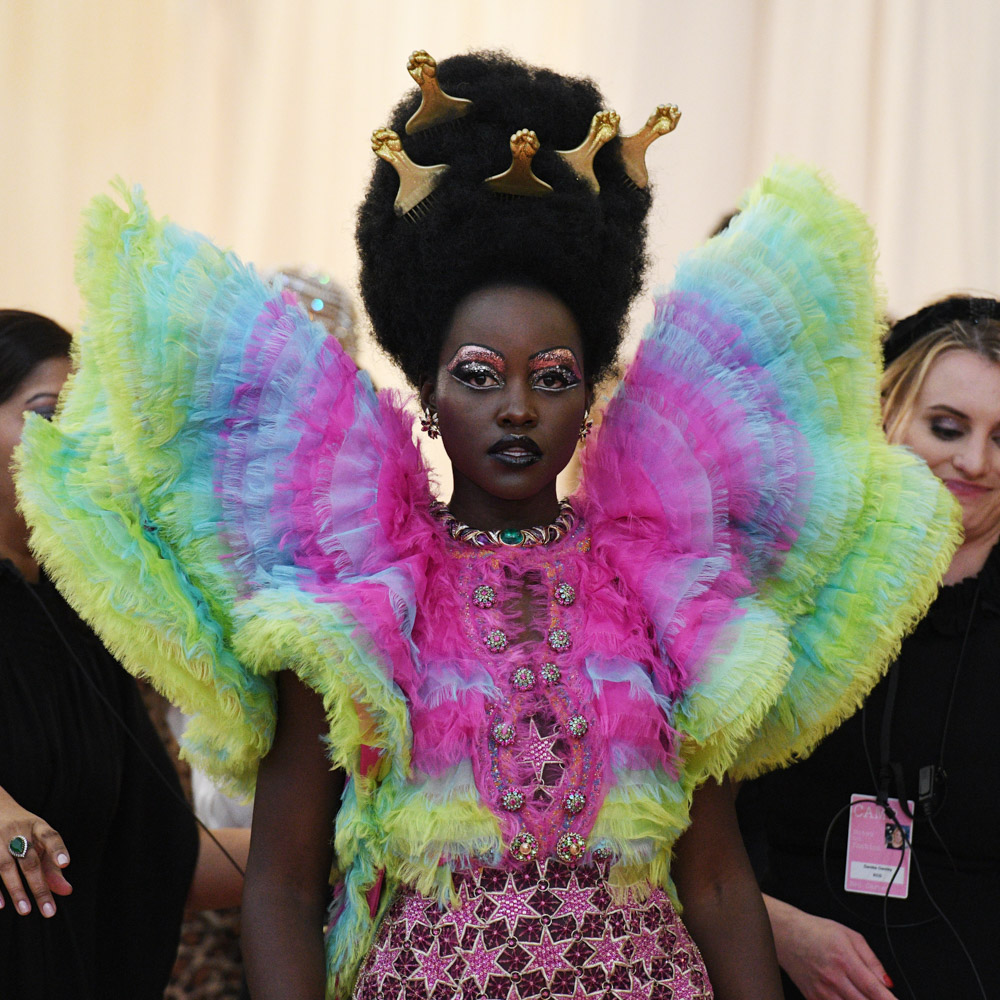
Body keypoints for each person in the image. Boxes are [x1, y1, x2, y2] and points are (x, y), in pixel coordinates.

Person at [16, 52, 958, 1000]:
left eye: (551, 377)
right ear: (428, 396)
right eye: (479, 374)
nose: (516, 408)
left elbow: (712, 876)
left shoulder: (659, 589)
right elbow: (284, 884)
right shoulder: (359, 602)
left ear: (588, 400)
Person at [743, 295, 1000, 1000]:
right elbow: (677, 828)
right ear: (884, 413)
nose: (974, 461)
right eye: (947, 427)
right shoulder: (789, 580)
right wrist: (778, 930)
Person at [0, 309, 249, 1000]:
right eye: (48, 412)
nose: (75, 442)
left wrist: (361, 847)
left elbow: (164, 857)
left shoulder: (80, 614)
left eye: (89, 420)